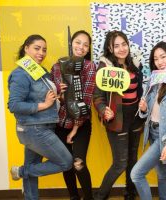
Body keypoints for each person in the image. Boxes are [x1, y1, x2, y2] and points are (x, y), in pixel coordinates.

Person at [8, 34, 72, 200]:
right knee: (66, 162)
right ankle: (21, 171)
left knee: (32, 166)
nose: (41, 53)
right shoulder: (21, 74)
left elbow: (46, 98)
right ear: (26, 48)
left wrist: (58, 95)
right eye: (37, 48)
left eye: (44, 49)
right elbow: (14, 105)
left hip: (42, 125)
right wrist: (43, 105)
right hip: (34, 129)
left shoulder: (39, 70)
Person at [130, 41, 166, 200]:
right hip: (152, 131)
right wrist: (143, 109)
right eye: (156, 59)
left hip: (164, 135)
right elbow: (150, 113)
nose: (160, 61)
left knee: (136, 174)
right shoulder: (154, 81)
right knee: (162, 174)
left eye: (163, 57)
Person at [93, 30, 144, 200]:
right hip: (118, 119)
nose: (122, 48)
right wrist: (103, 110)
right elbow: (98, 96)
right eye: (116, 45)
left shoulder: (135, 64)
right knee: (120, 163)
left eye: (124, 44)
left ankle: (130, 194)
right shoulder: (105, 67)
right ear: (110, 47)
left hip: (136, 118)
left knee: (133, 160)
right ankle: (100, 196)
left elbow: (140, 91)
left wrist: (144, 106)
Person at [51, 30, 96, 200]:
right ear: (71, 43)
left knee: (78, 162)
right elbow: (53, 99)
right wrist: (59, 95)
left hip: (81, 124)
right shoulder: (57, 66)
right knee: (66, 164)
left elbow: (86, 98)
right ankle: (73, 196)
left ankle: (89, 197)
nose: (81, 47)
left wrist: (75, 128)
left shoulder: (90, 66)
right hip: (60, 123)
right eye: (78, 42)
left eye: (85, 45)